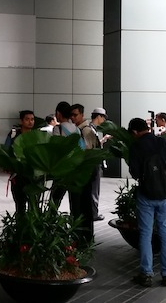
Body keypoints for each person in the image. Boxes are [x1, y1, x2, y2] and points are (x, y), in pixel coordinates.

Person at [128, 117, 166, 287]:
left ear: (135, 132)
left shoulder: (136, 146)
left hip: (146, 195)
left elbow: (135, 173)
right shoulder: (164, 142)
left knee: (145, 234)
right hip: (164, 194)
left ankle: (146, 273)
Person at [68, 104, 95, 246]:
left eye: (75, 115)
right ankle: (81, 237)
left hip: (84, 174)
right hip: (79, 174)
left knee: (83, 206)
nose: (73, 118)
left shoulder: (86, 130)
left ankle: (85, 238)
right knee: (79, 206)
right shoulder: (78, 130)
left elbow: (88, 152)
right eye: (71, 115)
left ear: (82, 115)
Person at [4, 110, 36, 216]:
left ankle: (31, 224)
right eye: (27, 119)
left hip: (32, 175)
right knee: (20, 204)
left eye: (32, 119)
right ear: (21, 121)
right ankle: (21, 224)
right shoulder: (14, 134)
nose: (30, 122)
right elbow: (6, 150)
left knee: (33, 204)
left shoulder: (37, 135)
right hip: (17, 175)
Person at [50, 101, 79, 208]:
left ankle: (52, 217)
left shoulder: (58, 128)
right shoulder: (76, 129)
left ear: (58, 113)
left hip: (62, 168)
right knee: (75, 200)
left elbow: (55, 147)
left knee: (55, 198)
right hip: (75, 167)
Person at [87, 108, 110, 221]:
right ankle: (93, 213)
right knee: (94, 189)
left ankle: (93, 212)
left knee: (93, 189)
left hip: (94, 163)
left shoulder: (92, 129)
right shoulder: (90, 130)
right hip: (94, 163)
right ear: (99, 116)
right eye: (103, 117)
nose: (104, 120)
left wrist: (104, 139)